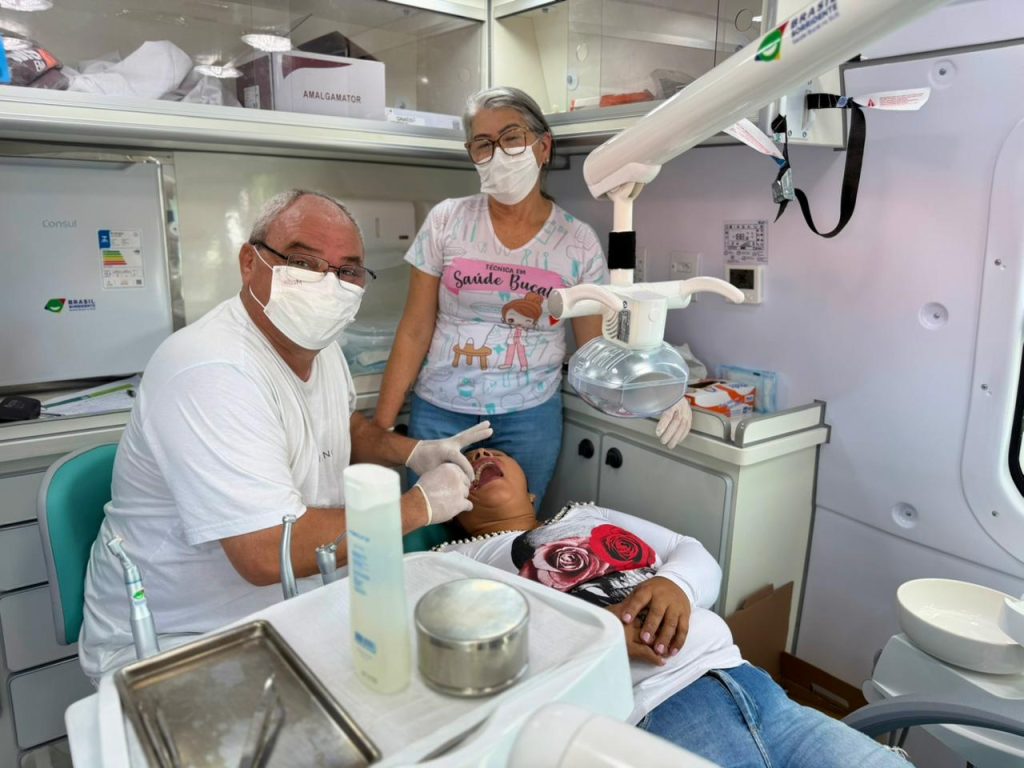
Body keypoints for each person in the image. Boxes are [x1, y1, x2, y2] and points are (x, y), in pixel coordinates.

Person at [79, 190, 491, 679]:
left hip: (293, 609)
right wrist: (415, 508)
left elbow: (337, 426)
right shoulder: (212, 368)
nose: (328, 285)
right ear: (249, 263)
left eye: (348, 271)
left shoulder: (321, 346)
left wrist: (414, 452)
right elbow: (263, 549)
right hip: (181, 640)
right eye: (303, 261)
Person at [436, 448, 909, 768]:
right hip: (657, 715)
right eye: (467, 465)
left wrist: (675, 584)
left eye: (495, 453)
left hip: (760, 691)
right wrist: (589, 640)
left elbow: (689, 548)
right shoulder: (456, 560)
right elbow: (473, 650)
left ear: (533, 492)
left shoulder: (585, 515)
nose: (480, 457)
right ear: (453, 509)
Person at [374, 85, 692, 515]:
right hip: (441, 414)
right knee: (429, 529)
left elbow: (598, 347)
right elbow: (414, 328)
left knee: (510, 536)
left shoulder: (576, 241)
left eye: (511, 138)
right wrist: (381, 430)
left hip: (529, 420)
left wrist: (661, 388)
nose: (498, 154)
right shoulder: (446, 221)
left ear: (543, 148)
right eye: (483, 144)